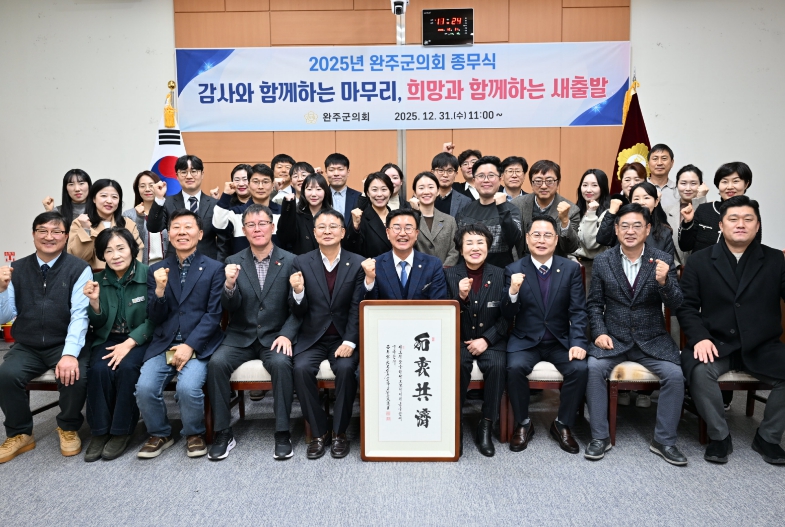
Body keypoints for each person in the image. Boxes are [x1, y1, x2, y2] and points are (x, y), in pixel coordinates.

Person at [678, 195, 785, 465]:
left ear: (757, 225)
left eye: (748, 219)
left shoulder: (775, 259)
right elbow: (686, 307)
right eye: (733, 219)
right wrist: (700, 338)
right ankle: (719, 436)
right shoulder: (700, 260)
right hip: (716, 342)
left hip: (762, 345)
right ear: (721, 225)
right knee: (699, 371)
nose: (741, 224)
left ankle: (769, 437)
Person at [584, 203, 687, 465]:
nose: (630, 231)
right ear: (616, 229)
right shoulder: (603, 261)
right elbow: (594, 304)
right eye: (625, 226)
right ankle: (599, 437)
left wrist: (664, 283)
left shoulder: (662, 260)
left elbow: (676, 304)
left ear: (648, 229)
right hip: (613, 338)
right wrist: (599, 332)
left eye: (637, 226)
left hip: (652, 338)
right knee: (593, 369)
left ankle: (664, 441)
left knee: (675, 375)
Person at [206, 204, 301, 461]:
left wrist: (286, 334)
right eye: (251, 225)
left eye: (262, 224)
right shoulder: (232, 262)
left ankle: (282, 432)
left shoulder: (291, 261)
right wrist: (229, 285)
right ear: (244, 230)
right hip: (240, 335)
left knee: (281, 363)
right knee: (216, 363)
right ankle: (223, 432)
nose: (257, 229)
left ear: (272, 227)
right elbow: (230, 307)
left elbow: (297, 309)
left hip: (275, 336)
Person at [0, 211, 92, 463]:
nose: (49, 237)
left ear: (65, 236)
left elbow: (80, 315)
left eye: (56, 231)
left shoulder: (79, 268)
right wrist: (1, 290)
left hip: (63, 342)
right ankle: (20, 433)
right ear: (33, 234)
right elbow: (5, 315)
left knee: (75, 375)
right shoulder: (17, 268)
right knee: (6, 375)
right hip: (27, 344)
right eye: (43, 231)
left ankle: (68, 427)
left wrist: (70, 354)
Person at [135, 209, 225, 459]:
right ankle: (160, 433)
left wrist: (190, 345)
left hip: (199, 344)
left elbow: (213, 315)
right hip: (164, 343)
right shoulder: (157, 269)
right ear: (169, 234)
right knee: (144, 387)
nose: (182, 232)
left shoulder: (214, 268)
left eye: (188, 227)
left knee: (187, 388)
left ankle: (194, 433)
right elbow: (155, 317)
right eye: (176, 227)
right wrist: (160, 290)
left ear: (200, 234)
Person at [503, 215, 589, 455]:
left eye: (547, 235)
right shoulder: (513, 269)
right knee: (514, 368)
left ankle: (562, 423)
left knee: (579, 368)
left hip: (560, 340)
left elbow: (578, 311)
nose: (541, 240)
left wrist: (578, 342)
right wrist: (512, 292)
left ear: (556, 239)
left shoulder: (571, 269)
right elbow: (506, 313)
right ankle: (523, 423)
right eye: (536, 235)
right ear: (527, 238)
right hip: (526, 340)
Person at [290, 209, 367, 459]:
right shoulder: (301, 262)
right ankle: (319, 431)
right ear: (314, 233)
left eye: (333, 226)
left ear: (343, 232)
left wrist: (350, 341)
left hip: (343, 337)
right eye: (321, 227)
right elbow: (296, 310)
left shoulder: (357, 263)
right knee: (301, 369)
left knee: (346, 369)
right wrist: (298, 292)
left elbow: (357, 306)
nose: (327, 231)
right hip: (312, 337)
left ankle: (339, 432)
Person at [82, 227, 154, 462]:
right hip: (108, 338)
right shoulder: (97, 280)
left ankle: (121, 430)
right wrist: (94, 303)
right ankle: (99, 431)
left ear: (132, 249)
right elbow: (97, 323)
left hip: (140, 339)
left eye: (121, 248)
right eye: (108, 251)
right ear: (102, 255)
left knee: (127, 368)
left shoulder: (150, 275)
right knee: (98, 370)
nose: (115, 255)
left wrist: (130, 343)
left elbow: (156, 317)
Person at [445, 223, 508, 457]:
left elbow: (508, 317)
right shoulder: (448, 274)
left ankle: (486, 424)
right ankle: (455, 423)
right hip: (459, 340)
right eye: (469, 243)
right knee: (457, 365)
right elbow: (443, 314)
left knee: (497, 365)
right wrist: (460, 298)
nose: (475, 248)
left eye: (480, 242)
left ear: (488, 247)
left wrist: (487, 340)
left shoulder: (501, 275)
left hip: (491, 340)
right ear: (460, 249)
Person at [362, 209, 448, 301]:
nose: (402, 233)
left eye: (408, 228)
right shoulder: (376, 265)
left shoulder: (433, 264)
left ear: (416, 234)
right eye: (397, 228)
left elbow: (439, 304)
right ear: (388, 233)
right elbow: (367, 305)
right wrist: (370, 280)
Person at [146, 154, 220, 261]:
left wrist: (220, 264)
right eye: (184, 172)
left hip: (208, 262)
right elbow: (153, 228)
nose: (189, 176)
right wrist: (159, 198)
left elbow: (223, 239)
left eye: (193, 171)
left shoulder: (215, 204)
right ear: (177, 175)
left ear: (202, 174)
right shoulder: (167, 202)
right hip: (175, 262)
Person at [455, 156, 522, 268]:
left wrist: (502, 207)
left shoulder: (511, 209)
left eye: (491, 175)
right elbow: (458, 245)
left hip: (501, 273)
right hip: (469, 273)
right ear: (474, 180)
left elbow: (514, 239)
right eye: (481, 176)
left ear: (500, 179)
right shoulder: (465, 210)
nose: (486, 180)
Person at [680, 161, 760, 254]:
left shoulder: (751, 212)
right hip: (701, 263)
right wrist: (688, 222)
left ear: (746, 184)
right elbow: (685, 246)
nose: (729, 187)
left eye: (736, 181)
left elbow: (754, 250)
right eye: (724, 182)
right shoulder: (704, 209)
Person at [68, 179, 144, 270]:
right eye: (103, 196)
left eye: (114, 197)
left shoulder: (128, 223)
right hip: (94, 276)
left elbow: (137, 253)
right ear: (94, 199)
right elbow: (78, 257)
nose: (109, 201)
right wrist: (86, 229)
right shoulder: (79, 223)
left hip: (126, 276)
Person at [512, 160, 580, 259]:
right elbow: (512, 241)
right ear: (531, 183)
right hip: (523, 261)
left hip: (554, 263)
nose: (543, 186)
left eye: (549, 181)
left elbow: (570, 248)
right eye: (538, 181)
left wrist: (565, 221)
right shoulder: (517, 204)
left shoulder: (572, 210)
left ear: (558, 183)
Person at [212, 163, 282, 257]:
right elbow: (218, 226)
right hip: (242, 265)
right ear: (248, 184)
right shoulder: (236, 212)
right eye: (255, 182)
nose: (260, 186)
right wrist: (226, 195)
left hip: (277, 264)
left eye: (265, 182)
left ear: (273, 185)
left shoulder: (282, 212)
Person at [597, 181, 676, 258]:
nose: (641, 202)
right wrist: (611, 212)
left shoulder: (665, 232)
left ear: (656, 202)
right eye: (636, 199)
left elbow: (668, 261)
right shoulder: (621, 225)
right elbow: (603, 240)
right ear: (630, 202)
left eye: (646, 198)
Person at [572, 168, 611, 293]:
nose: (588, 190)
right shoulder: (575, 210)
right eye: (585, 185)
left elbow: (591, 244)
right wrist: (572, 260)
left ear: (603, 188)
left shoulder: (609, 213)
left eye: (594, 185)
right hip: (574, 266)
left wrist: (591, 213)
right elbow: (568, 241)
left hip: (596, 268)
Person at [409, 171, 459, 266]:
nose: (426, 192)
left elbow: (454, 251)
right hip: (417, 271)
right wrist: (415, 212)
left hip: (444, 272)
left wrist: (442, 270)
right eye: (421, 188)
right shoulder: (409, 219)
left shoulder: (450, 221)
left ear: (438, 191)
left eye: (431, 187)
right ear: (415, 193)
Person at [277, 173, 333, 256]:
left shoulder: (333, 216)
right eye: (309, 189)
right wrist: (288, 204)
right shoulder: (297, 215)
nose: (313, 194)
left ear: (325, 191)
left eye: (318, 189)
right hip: (301, 262)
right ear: (303, 192)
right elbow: (284, 237)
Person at [665, 164, 708, 266]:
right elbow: (662, 244)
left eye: (693, 183)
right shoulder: (666, 211)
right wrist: (676, 268)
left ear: (701, 185)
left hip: (702, 268)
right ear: (677, 185)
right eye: (683, 183)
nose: (688, 188)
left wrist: (700, 199)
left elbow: (703, 235)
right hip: (673, 270)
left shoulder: (710, 209)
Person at [123, 170, 169, 265]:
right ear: (137, 189)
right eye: (142, 186)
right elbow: (133, 244)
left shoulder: (169, 211)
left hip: (168, 267)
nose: (147, 189)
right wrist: (139, 218)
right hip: (142, 268)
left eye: (151, 185)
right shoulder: (129, 215)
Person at [344, 172, 394, 258]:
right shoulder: (360, 218)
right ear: (367, 193)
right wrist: (355, 227)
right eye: (374, 190)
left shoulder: (396, 217)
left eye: (384, 189)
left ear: (390, 192)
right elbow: (350, 249)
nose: (379, 194)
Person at [431, 152, 472, 218]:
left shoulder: (465, 201)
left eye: (450, 171)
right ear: (432, 172)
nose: (445, 175)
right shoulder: (424, 197)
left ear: (456, 174)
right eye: (440, 170)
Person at [325, 153, 360, 223]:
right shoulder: (320, 196)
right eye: (331, 170)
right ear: (326, 172)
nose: (336, 174)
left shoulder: (358, 197)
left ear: (348, 172)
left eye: (340, 169)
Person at [646, 143, 680, 211]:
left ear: (672, 163)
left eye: (664, 158)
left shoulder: (679, 190)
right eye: (655, 159)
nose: (659, 163)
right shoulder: (639, 188)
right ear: (648, 163)